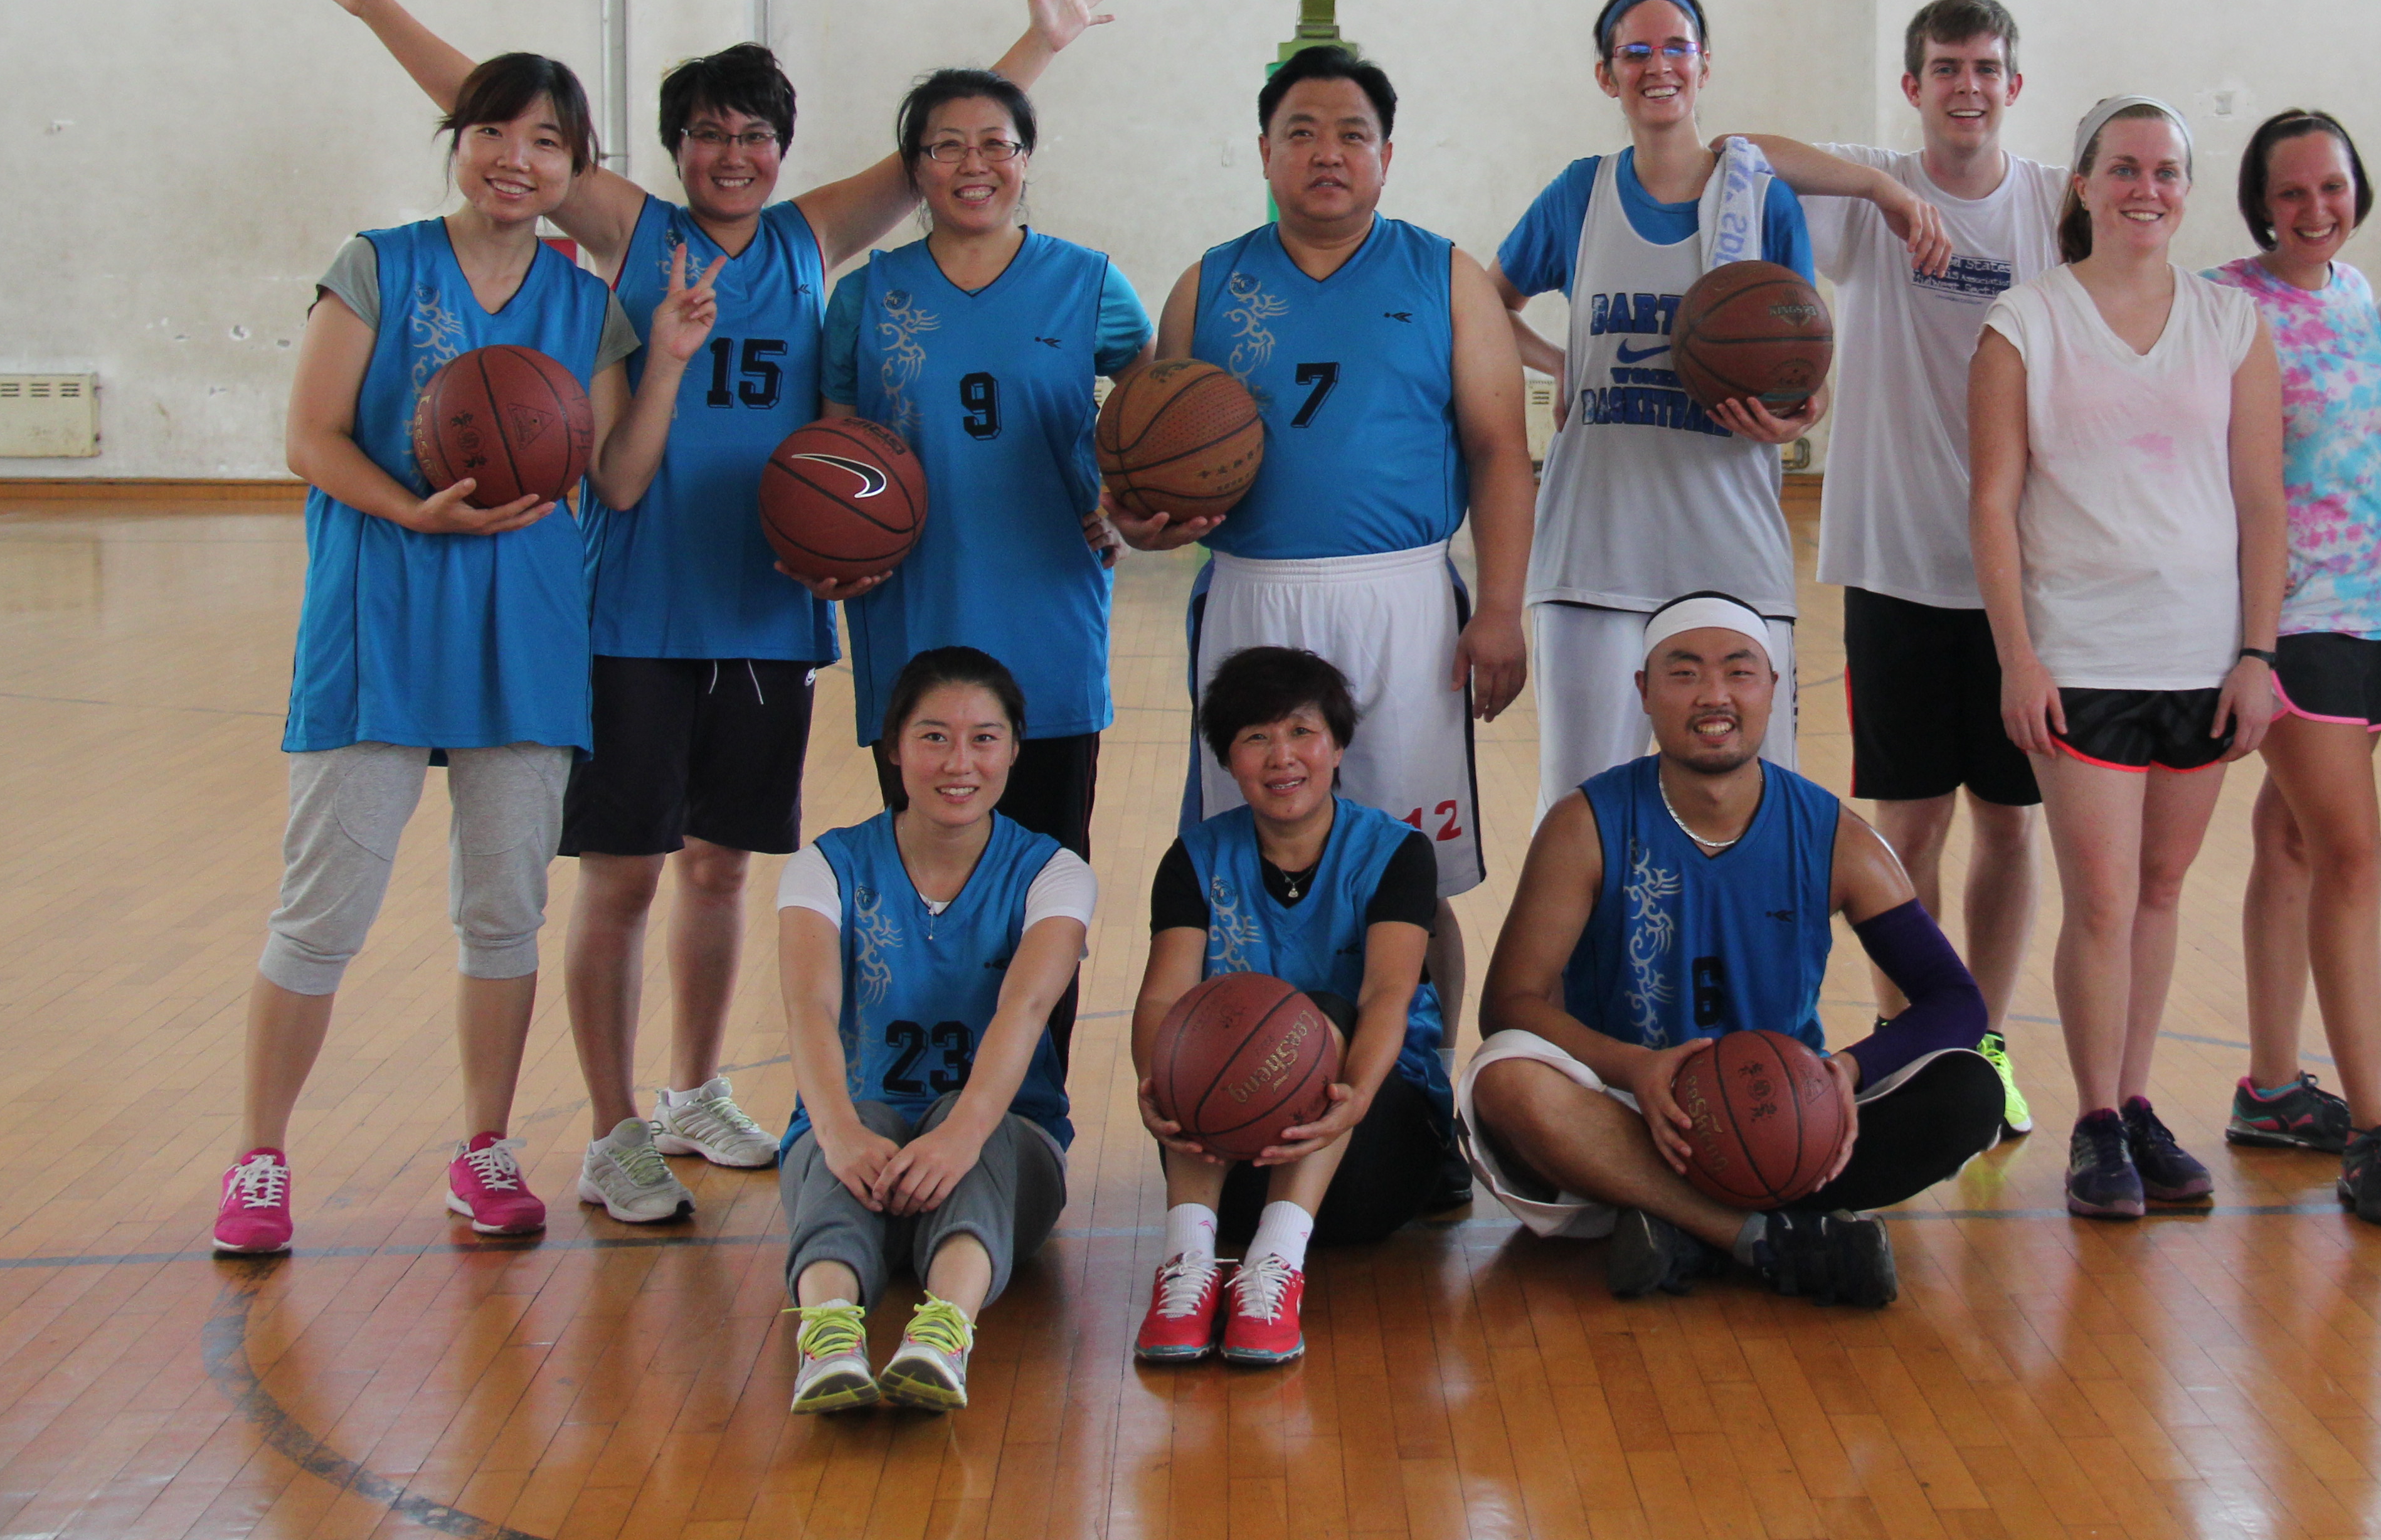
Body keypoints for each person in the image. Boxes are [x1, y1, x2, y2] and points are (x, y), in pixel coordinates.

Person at [294, 0, 1110, 1223]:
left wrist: (1042, 44)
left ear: (781, 149)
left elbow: (943, 151)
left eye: (754, 135)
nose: (733, 154)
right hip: (633, 602)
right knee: (622, 875)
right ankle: (610, 1124)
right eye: (710, 134)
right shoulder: (634, 230)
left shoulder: (806, 237)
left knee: (725, 868)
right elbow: (506, 115)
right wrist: (373, 5)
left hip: (769, 609)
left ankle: (690, 1090)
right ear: (672, 150)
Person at [213, 55, 717, 1254]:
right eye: (494, 132)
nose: (515, 160)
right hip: (377, 620)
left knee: (502, 914)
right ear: (459, 140)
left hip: (525, 635)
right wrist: (410, 510)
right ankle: (258, 1159)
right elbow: (308, 437)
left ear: (574, 167)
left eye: (545, 143)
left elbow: (618, 479)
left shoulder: (585, 303)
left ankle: (484, 1147)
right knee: (321, 912)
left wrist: (667, 360)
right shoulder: (377, 265)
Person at [1121, 45, 1535, 1048]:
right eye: (1301, 132)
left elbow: (1499, 449)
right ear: (1265, 151)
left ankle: (1425, 1088)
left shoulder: (1446, 277)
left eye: (1353, 134)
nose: (1327, 153)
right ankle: (1245, 1075)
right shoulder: (1206, 286)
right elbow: (1151, 465)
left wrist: (1499, 609)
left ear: (1387, 155)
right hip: (1250, 596)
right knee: (1246, 859)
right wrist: (1141, 522)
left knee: (1412, 872)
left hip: (1403, 603)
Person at [1719, 0, 2065, 1145]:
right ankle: (1909, 1039)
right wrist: (1878, 190)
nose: (1967, 85)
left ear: (2013, 85)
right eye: (1945, 67)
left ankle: (1986, 1042)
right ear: (1913, 86)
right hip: (1896, 566)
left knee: (2009, 829)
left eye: (1985, 66)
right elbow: (1736, 152)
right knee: (1903, 832)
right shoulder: (1870, 193)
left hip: (2025, 582)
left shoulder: (2051, 203)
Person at [1461, 594, 2005, 1308]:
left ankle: (1673, 1222)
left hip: (1784, 1119)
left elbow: (1957, 1001)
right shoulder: (1585, 824)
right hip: (1628, 1113)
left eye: (1739, 672)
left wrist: (1846, 1072)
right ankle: (1764, 1237)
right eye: (1684, 673)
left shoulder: (1835, 837)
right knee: (1503, 1081)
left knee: (1972, 1091)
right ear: (1644, 692)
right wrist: (1636, 1068)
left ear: (1773, 688)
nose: (1714, 695)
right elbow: (1510, 1004)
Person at [1488, 0, 1948, 812]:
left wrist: (1800, 409)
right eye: (1636, 51)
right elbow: (1489, 306)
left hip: (1730, 554)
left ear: (1705, 66)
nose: (1658, 66)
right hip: (1593, 553)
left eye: (1678, 47)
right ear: (1606, 75)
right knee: (1583, 817)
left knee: (1746, 816)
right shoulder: (1579, 194)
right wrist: (1566, 366)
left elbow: (1804, 368)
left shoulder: (1759, 198)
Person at [1970, 97, 2281, 1223]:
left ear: (2185, 191)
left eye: (2164, 172)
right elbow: (1992, 502)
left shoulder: (2231, 323)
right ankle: (2094, 1120)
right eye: (2123, 169)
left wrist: (2256, 652)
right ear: (2085, 186)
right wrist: (2017, 656)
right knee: (2099, 899)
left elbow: (2260, 500)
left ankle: (2138, 1103)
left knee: (2158, 891)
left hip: (2200, 653)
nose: (2144, 188)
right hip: (2081, 653)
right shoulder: (2025, 321)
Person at [820, 70, 1153, 858]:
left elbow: (1158, 420)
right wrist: (829, 550)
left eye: (996, 144)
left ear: (1026, 157)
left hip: (1050, 614)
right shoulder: (865, 299)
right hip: (914, 613)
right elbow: (833, 459)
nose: (975, 164)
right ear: (915, 167)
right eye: (947, 147)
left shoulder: (1090, 285)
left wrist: (1124, 505)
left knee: (1047, 878)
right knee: (923, 877)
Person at [2203, 111, 2381, 1230]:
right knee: (2351, 854)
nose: (2312, 209)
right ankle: (2375, 1135)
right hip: (2291, 619)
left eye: (2330, 187)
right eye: (2290, 192)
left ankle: (2271, 1086)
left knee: (2292, 840)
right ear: (2259, 200)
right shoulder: (2223, 304)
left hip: (2376, 612)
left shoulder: (2358, 296)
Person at [776, 646, 1095, 1413]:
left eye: (984, 738)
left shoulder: (1055, 873)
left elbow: (1024, 1010)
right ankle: (827, 1337)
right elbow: (808, 1006)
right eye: (934, 738)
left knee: (971, 1119)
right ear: (893, 748)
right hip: (859, 1148)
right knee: (861, 1119)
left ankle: (943, 1333)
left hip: (1003, 1146)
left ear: (1014, 750)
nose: (960, 763)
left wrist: (959, 1136)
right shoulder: (826, 865)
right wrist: (837, 1131)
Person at [1129, 647, 1468, 1368]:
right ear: (1229, 758)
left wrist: (1354, 1098)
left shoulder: (1397, 852)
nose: (1281, 757)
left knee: (1315, 1016)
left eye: (1302, 732)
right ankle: (1187, 1262)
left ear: (1338, 746)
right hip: (1233, 1162)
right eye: (1256, 737)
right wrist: (1157, 1084)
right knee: (1199, 1049)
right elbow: (1161, 996)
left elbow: (1386, 995)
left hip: (1374, 1143)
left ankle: (1276, 1264)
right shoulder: (1194, 858)